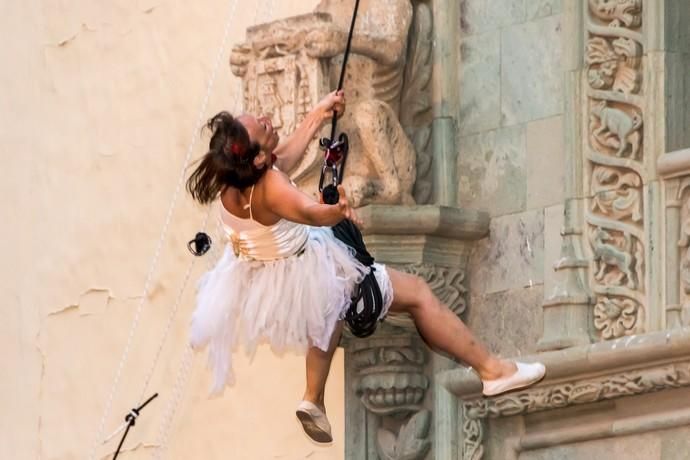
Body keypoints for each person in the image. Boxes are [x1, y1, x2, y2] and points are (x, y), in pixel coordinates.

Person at [186, 90, 545, 444]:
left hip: (266, 268)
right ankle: (493, 370)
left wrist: (318, 114)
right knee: (411, 293)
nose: (265, 119)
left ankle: (313, 397)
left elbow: (285, 156)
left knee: (325, 309)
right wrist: (338, 209)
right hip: (304, 257)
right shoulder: (273, 187)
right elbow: (311, 213)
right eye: (261, 127)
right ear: (258, 159)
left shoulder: (234, 183)